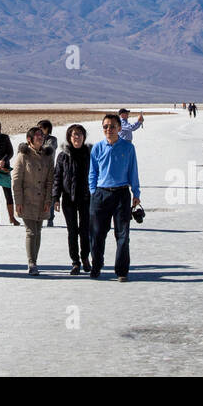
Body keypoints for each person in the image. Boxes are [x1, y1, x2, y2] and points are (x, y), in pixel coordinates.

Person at [87, 114, 141, 281]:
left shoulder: (128, 148)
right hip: (101, 194)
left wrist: (136, 193)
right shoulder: (97, 148)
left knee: (123, 235)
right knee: (97, 234)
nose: (108, 129)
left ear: (119, 128)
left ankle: (122, 271)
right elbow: (93, 172)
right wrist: (93, 191)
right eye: (105, 127)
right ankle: (96, 266)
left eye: (112, 126)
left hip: (121, 194)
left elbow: (133, 171)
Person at [11, 125, 55, 275]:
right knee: (31, 231)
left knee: (38, 230)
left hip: (42, 200)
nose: (40, 137)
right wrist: (18, 202)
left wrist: (49, 200)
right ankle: (32, 263)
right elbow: (16, 181)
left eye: (42, 135)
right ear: (29, 139)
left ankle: (34, 260)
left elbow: (50, 181)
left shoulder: (48, 156)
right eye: (37, 135)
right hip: (27, 200)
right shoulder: (23, 156)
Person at [53, 123, 92, 274]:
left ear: (84, 137)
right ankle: (75, 262)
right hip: (68, 199)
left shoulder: (90, 154)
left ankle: (86, 258)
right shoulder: (63, 155)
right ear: (69, 137)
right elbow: (57, 177)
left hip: (86, 198)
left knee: (85, 230)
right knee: (72, 231)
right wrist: (56, 197)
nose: (77, 137)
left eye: (79, 134)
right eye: (74, 134)